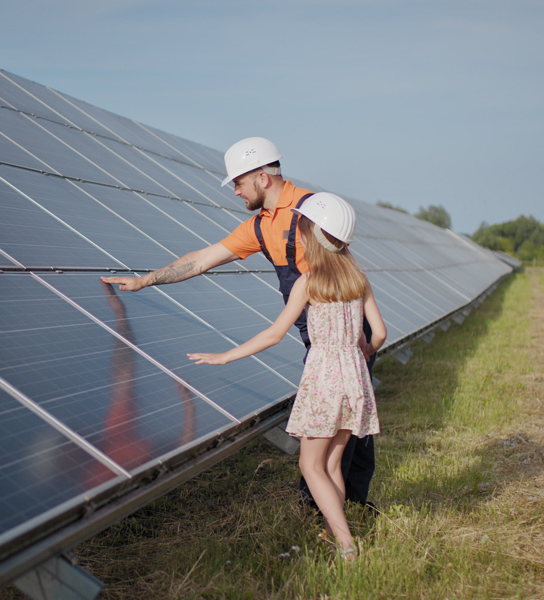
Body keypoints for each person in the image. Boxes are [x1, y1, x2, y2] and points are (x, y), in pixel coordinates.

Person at [100, 137, 377, 506]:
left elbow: (349, 270)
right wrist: (144, 280)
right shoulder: (260, 227)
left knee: (346, 432)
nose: (235, 191)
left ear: (262, 178)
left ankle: (334, 512)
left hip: (344, 331)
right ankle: (337, 511)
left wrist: (361, 340)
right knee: (335, 428)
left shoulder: (314, 211)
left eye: (238, 182)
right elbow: (201, 259)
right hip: (314, 333)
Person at [187, 193, 387, 559]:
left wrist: (225, 357)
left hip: (324, 379)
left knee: (310, 465)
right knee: (331, 465)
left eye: (304, 230)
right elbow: (379, 334)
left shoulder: (308, 283)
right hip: (355, 379)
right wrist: (359, 356)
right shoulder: (359, 280)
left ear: (313, 236)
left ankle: (345, 544)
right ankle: (332, 532)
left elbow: (273, 334)